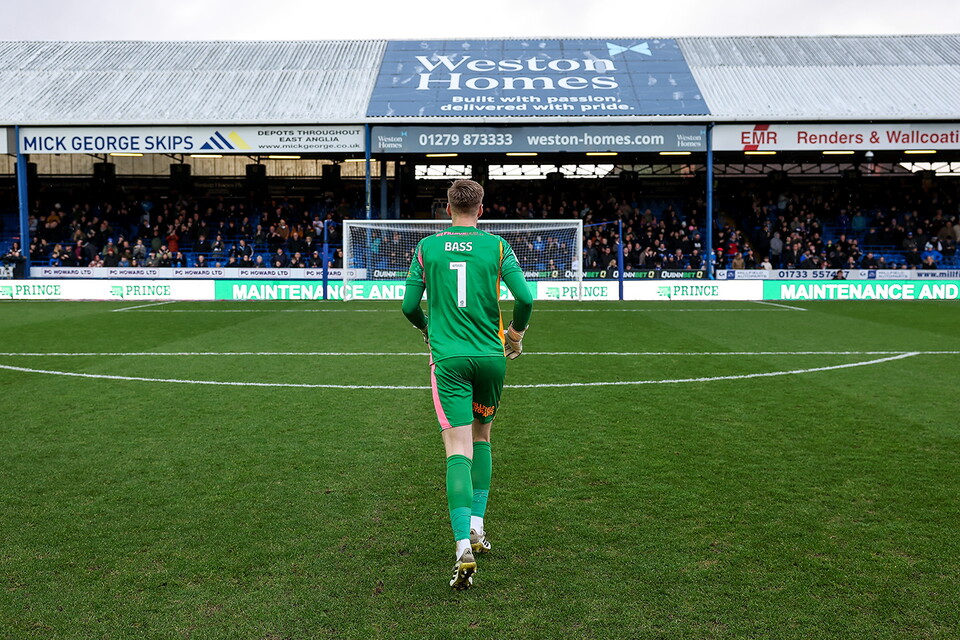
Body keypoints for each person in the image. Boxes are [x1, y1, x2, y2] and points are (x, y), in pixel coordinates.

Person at [401, 179, 533, 590]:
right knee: (483, 439)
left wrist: (427, 329)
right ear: (480, 209)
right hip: (492, 359)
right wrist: (514, 335)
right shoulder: (497, 246)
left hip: (450, 360)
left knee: (457, 449)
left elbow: (408, 307)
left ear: (446, 208)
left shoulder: (426, 248)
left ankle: (462, 546)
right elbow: (525, 298)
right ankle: (477, 525)